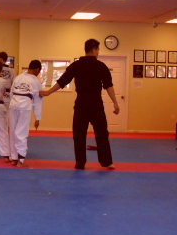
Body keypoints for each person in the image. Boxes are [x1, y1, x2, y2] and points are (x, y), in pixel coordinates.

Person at [42, 39, 119, 170]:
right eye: (98, 50)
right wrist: (115, 103)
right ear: (94, 50)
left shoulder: (76, 65)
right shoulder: (101, 66)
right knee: (101, 133)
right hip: (96, 103)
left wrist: (49, 92)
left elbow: (62, 81)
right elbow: (108, 86)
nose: (98, 52)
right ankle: (107, 162)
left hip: (81, 103)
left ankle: (80, 163)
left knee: (79, 134)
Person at [9, 60, 44, 167]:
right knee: (22, 132)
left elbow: (11, 93)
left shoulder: (18, 77)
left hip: (13, 104)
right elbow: (38, 100)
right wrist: (37, 117)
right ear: (37, 69)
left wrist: (12, 103)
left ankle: (14, 158)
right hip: (25, 106)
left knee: (13, 131)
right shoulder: (36, 82)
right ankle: (21, 160)